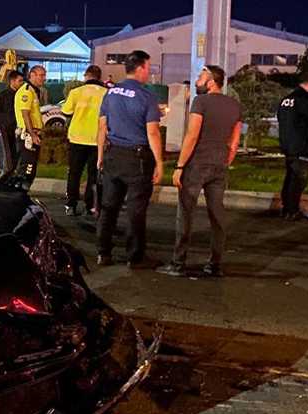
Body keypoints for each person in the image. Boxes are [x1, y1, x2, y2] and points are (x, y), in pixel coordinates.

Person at [159, 66, 242, 278]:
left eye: (200, 77)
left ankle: (178, 263)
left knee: (185, 215)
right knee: (217, 215)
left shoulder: (201, 102)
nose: (196, 81)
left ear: (212, 81)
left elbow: (192, 136)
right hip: (219, 167)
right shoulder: (235, 106)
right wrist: (225, 163)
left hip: (196, 166)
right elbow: (234, 142)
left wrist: (179, 166)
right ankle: (215, 264)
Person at [96, 50, 164, 269]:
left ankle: (103, 253)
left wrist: (100, 156)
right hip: (137, 160)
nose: (149, 72)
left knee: (108, 206)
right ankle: (134, 257)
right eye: (149, 67)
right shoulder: (146, 96)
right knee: (136, 209)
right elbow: (153, 132)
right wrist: (160, 163)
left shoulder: (111, 93)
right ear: (141, 68)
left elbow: (102, 127)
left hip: (113, 155)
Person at [276, 72, 308, 222]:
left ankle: (286, 209)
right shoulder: (305, 100)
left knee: (290, 178)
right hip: (303, 146)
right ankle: (293, 211)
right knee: (299, 180)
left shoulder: (286, 100)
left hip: (288, 145)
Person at [61, 65, 107, 216]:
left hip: (77, 138)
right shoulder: (106, 93)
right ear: (99, 77)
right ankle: (91, 205)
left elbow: (66, 112)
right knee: (93, 175)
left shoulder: (76, 92)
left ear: (86, 76)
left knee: (74, 173)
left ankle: (71, 204)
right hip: (96, 140)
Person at [14, 65, 47, 189]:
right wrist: (32, 135)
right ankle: (19, 194)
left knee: (30, 168)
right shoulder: (26, 91)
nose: (44, 78)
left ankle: (21, 194)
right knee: (27, 169)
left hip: (32, 134)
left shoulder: (33, 91)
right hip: (28, 135)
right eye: (41, 75)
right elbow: (25, 114)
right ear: (32, 75)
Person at [0, 70, 25, 156]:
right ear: (12, 81)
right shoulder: (3, 96)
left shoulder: (20, 95)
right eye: (20, 81)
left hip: (18, 129)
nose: (22, 83)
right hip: (7, 130)